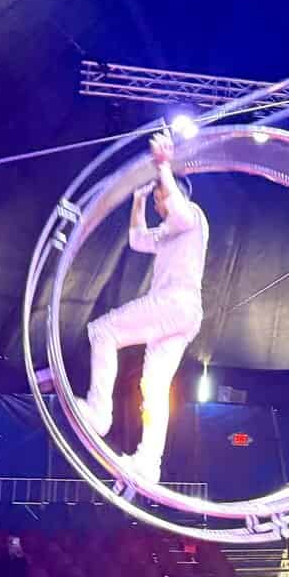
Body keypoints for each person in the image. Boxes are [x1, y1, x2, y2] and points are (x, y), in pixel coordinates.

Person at [84, 129, 209, 481]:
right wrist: (138, 200)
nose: (158, 207)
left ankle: (98, 412)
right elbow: (138, 241)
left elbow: (180, 212)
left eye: (159, 201)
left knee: (102, 330)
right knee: (153, 388)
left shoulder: (192, 217)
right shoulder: (171, 230)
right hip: (183, 314)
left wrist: (163, 166)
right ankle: (148, 463)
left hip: (175, 304)